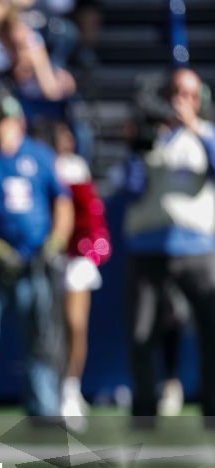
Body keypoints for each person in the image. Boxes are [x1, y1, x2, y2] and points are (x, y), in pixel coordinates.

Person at [0, 87, 72, 422]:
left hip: (35, 261)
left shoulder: (40, 156)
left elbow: (62, 202)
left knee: (42, 336)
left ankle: (44, 406)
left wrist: (54, 243)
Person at [123, 67, 215, 423]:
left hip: (197, 248)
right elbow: (131, 189)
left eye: (189, 93)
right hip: (148, 247)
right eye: (175, 92)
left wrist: (192, 127)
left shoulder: (207, 134)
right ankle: (145, 411)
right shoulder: (151, 137)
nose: (181, 100)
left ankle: (211, 408)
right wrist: (135, 147)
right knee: (141, 332)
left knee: (210, 330)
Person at [32, 117, 109, 426]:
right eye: (61, 135)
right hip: (45, 255)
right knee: (48, 330)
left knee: (74, 323)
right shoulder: (36, 164)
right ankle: (49, 392)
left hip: (76, 254)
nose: (67, 141)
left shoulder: (74, 167)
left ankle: (70, 388)